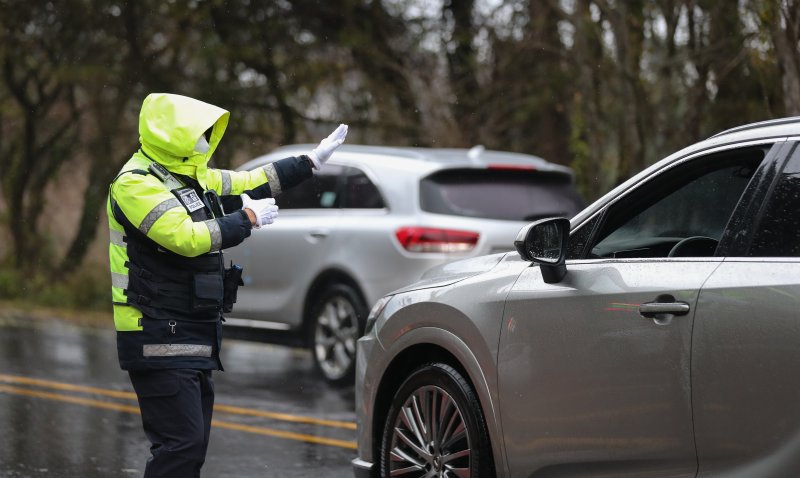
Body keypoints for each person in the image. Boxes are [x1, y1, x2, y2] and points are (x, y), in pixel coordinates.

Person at [106, 92, 348, 477]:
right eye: (198, 132)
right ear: (172, 135)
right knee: (180, 446)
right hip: (155, 329)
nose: (205, 140)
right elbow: (185, 237)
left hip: (191, 326)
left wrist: (308, 162)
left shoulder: (190, 175)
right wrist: (246, 218)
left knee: (191, 447)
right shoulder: (136, 184)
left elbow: (250, 180)